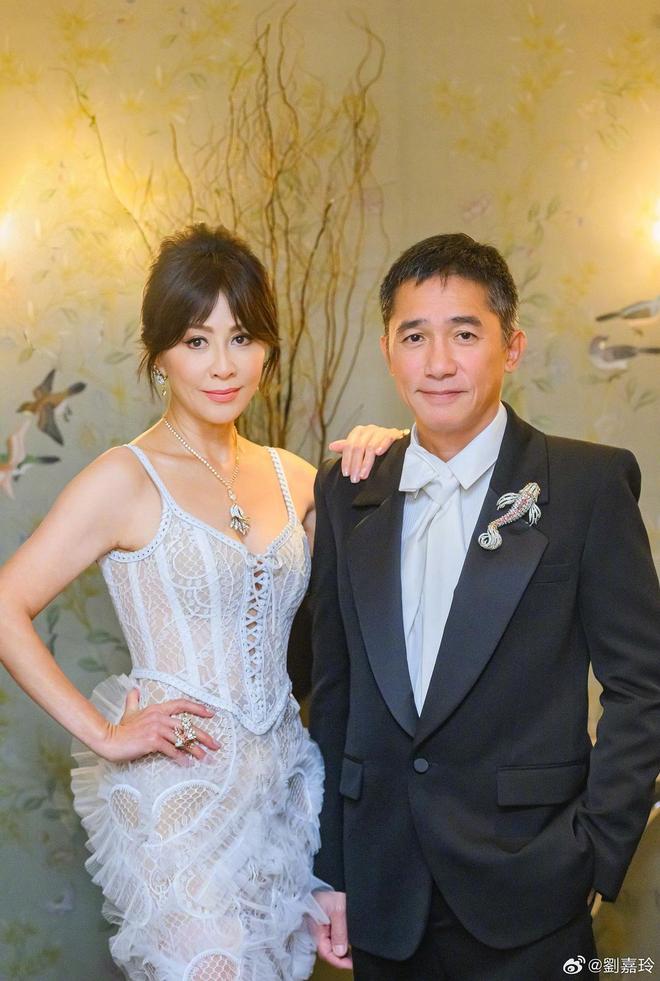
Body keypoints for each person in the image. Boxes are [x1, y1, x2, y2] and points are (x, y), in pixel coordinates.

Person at [0, 224, 402, 981]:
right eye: (196, 340)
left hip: (283, 794)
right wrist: (103, 732)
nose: (223, 365)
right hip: (178, 798)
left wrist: (385, 455)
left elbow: (376, 598)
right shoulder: (125, 478)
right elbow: (4, 605)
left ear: (267, 349)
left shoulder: (294, 477)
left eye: (242, 337)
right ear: (159, 353)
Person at [308, 232, 660, 980]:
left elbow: (643, 685)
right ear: (388, 351)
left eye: (465, 334)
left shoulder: (585, 485)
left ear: (512, 346)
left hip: (531, 889)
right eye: (415, 336)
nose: (438, 362)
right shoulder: (347, 490)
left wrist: (595, 849)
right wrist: (331, 869)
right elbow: (336, 692)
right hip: (382, 889)